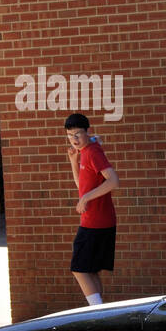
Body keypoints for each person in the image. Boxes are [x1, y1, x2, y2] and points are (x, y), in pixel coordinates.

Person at [64, 113, 119, 305]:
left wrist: (86, 198)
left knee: (78, 268)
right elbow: (82, 187)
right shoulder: (85, 152)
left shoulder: (93, 152)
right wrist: (73, 162)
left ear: (88, 131)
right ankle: (100, 311)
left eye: (78, 134)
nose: (74, 139)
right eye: (70, 135)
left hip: (95, 222)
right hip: (97, 221)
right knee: (91, 270)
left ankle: (96, 312)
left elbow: (113, 180)